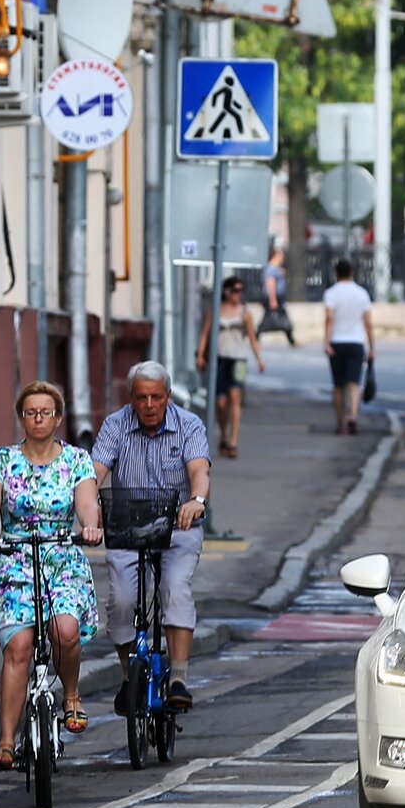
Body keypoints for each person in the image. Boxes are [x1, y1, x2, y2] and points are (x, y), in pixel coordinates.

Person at [0, 382, 102, 769]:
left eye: (46, 412)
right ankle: (8, 741)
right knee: (19, 646)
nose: (39, 419)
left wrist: (91, 526)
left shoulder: (77, 461)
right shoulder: (1, 460)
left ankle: (72, 694)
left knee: (65, 630)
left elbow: (87, 503)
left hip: (62, 557)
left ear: (58, 417)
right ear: (21, 418)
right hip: (14, 558)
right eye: (31, 412)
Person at [92, 361, 211, 714]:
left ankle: (179, 679)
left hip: (178, 527)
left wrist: (196, 501)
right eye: (141, 397)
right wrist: (89, 508)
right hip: (127, 528)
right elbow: (94, 473)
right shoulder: (115, 425)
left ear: (168, 396)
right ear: (130, 398)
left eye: (156, 397)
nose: (148, 405)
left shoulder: (189, 425)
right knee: (123, 599)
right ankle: (130, 675)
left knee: (174, 587)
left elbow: (199, 470)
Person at [196, 275, 264, 458]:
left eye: (241, 291)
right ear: (226, 292)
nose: (238, 294)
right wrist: (201, 354)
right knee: (220, 402)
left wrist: (259, 359)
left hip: (238, 359)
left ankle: (233, 441)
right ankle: (223, 433)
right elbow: (205, 333)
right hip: (219, 358)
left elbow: (252, 337)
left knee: (235, 397)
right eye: (235, 290)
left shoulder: (245, 313)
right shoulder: (216, 310)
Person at [323, 258, 375, 436]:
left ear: (336, 273)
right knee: (354, 383)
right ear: (352, 272)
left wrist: (326, 342)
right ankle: (353, 415)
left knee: (338, 385)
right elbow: (368, 323)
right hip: (356, 342)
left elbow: (330, 320)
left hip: (337, 342)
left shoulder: (331, 293)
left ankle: (340, 423)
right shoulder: (362, 293)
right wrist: (372, 347)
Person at [259, 247, 296, 346]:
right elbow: (270, 284)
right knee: (270, 317)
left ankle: (291, 339)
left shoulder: (276, 269)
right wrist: (273, 299)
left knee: (276, 317)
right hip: (274, 297)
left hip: (277, 298)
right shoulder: (271, 269)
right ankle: (256, 335)